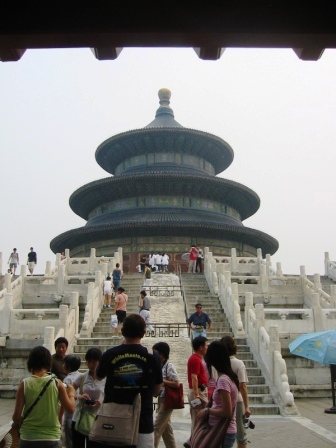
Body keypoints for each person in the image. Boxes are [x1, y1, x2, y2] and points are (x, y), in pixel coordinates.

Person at [92, 314, 163, 448]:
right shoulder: (153, 357)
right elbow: (157, 390)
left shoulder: (110, 354)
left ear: (123, 331)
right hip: (143, 422)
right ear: (143, 333)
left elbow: (98, 376)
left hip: (112, 421)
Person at [12, 345, 76, 448]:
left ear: (31, 362)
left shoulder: (24, 384)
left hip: (28, 438)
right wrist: (71, 393)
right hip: (51, 438)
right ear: (48, 362)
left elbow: (16, 417)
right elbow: (71, 408)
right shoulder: (57, 383)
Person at [199, 340, 240, 448]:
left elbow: (227, 412)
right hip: (222, 430)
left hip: (223, 431)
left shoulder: (223, 380)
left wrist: (207, 411)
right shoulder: (227, 377)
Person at [221, 336, 251, 448]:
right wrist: (247, 406)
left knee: (222, 430)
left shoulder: (218, 364)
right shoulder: (239, 364)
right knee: (241, 434)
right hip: (237, 400)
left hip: (222, 400)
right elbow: (242, 386)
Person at [72, 348, 105, 448]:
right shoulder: (82, 377)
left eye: (94, 361)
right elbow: (70, 391)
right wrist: (79, 396)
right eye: (89, 361)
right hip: (79, 417)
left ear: (99, 362)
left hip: (97, 418)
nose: (91, 364)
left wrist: (101, 401)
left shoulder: (105, 379)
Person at [184, 336, 208, 447]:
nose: (207, 347)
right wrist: (197, 394)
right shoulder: (195, 359)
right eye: (205, 345)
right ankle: (194, 442)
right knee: (200, 419)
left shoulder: (197, 358)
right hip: (197, 391)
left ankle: (193, 441)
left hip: (198, 390)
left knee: (198, 418)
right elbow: (194, 377)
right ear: (200, 347)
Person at [153, 342, 178, 448]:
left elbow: (176, 383)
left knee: (156, 427)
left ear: (162, 354)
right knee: (166, 430)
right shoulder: (159, 366)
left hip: (168, 399)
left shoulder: (169, 366)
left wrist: (162, 381)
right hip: (161, 398)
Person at [61, 355, 82, 448]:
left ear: (68, 366)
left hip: (69, 414)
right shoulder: (81, 376)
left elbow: (64, 399)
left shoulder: (67, 380)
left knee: (69, 441)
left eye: (64, 363)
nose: (62, 365)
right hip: (79, 413)